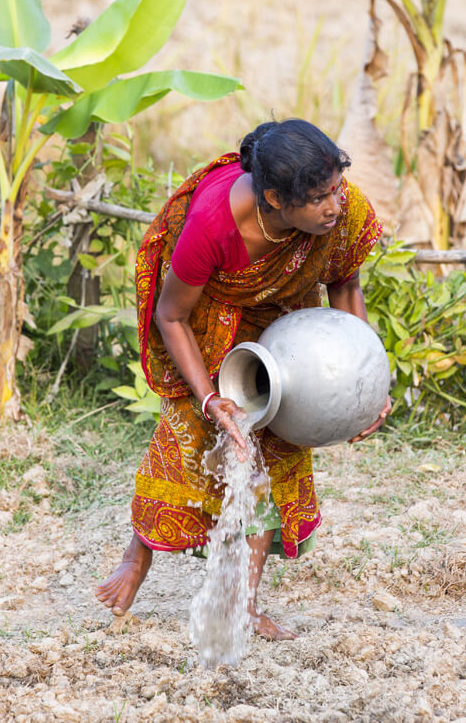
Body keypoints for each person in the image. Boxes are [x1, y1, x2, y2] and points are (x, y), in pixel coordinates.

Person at [96, 119, 392, 640]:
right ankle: (138, 555)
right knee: (191, 439)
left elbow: (345, 284)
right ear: (276, 199)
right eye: (320, 198)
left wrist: (366, 383)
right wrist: (211, 398)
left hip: (285, 321)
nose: (336, 206)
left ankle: (245, 606)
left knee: (271, 452)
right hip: (207, 313)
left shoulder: (339, 213)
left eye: (337, 188)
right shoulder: (214, 225)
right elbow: (171, 317)